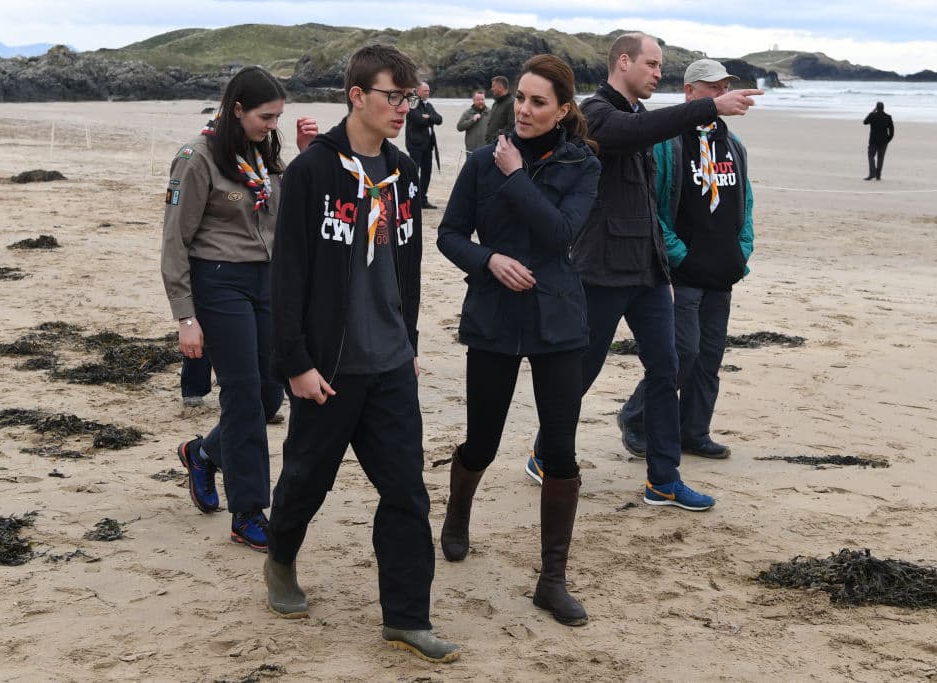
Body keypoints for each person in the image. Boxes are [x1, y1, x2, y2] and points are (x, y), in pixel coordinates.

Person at [264, 44, 460, 664]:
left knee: (406, 493)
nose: (403, 108)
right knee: (305, 481)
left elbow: (410, 267)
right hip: (329, 366)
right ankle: (281, 558)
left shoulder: (403, 171)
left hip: (391, 364)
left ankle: (407, 618)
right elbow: (286, 275)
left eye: (410, 98)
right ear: (357, 96)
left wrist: (411, 344)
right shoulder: (313, 172)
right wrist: (295, 362)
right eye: (392, 96)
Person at [527, 34, 762, 511]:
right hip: (602, 269)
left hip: (649, 271)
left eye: (660, 65)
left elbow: (653, 194)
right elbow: (634, 134)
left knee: (667, 367)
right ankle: (544, 452)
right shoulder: (596, 113)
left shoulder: (639, 118)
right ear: (624, 62)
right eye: (652, 64)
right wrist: (710, 107)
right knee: (581, 370)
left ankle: (663, 478)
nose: (659, 73)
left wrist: (667, 265)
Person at [437, 54, 601, 626]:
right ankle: (457, 514)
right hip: (493, 317)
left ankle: (551, 579)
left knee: (560, 451)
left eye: (539, 102)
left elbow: (559, 233)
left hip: (558, 321)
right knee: (481, 440)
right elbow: (450, 234)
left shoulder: (582, 164)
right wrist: (489, 260)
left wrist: (514, 176)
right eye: (521, 99)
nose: (525, 110)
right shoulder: (481, 162)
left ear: (562, 109)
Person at [160, 65, 318, 550]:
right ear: (237, 110)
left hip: (266, 281)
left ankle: (204, 453)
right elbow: (174, 241)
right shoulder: (196, 157)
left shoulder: (260, 153)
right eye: (266, 117)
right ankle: (248, 511)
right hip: (219, 282)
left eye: (277, 118)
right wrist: (186, 317)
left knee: (271, 393)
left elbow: (279, 210)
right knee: (243, 394)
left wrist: (305, 158)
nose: (272, 125)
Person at [620, 59, 755, 460]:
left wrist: (742, 250)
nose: (720, 93)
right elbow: (653, 209)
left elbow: (745, 202)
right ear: (690, 92)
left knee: (709, 358)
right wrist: (681, 256)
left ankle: (693, 431)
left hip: (723, 270)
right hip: (682, 272)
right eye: (712, 87)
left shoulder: (733, 145)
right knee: (683, 351)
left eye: (724, 86)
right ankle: (636, 417)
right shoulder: (668, 143)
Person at [405, 81, 442, 209]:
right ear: (418, 91)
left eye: (428, 90)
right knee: (414, 172)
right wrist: (429, 118)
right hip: (415, 144)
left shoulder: (429, 105)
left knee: (427, 172)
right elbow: (418, 120)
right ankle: (412, 199)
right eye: (425, 90)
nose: (428, 92)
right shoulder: (413, 102)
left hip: (428, 145)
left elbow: (439, 119)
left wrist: (428, 117)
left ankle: (423, 199)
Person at [863, 101, 894, 180]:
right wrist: (888, 140)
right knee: (880, 158)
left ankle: (872, 173)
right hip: (883, 141)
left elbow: (865, 122)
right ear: (883, 108)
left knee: (871, 156)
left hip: (873, 140)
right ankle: (878, 175)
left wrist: (872, 112)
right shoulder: (888, 117)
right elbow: (892, 131)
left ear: (876, 108)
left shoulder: (872, 115)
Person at [456, 89, 491, 157]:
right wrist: (472, 120)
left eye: (482, 99)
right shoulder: (468, 113)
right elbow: (459, 127)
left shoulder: (490, 112)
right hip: (471, 150)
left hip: (486, 149)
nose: (481, 101)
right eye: (478, 100)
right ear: (473, 100)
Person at [484, 75, 515, 142]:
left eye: (493, 86)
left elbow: (512, 125)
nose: (491, 89)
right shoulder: (495, 103)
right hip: (490, 143)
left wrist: (496, 137)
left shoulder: (512, 103)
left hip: (500, 144)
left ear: (500, 87)